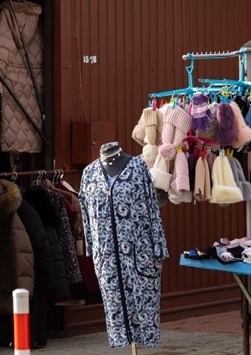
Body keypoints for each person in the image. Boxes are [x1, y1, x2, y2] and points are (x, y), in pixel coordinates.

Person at [79, 142, 168, 353]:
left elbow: (152, 208)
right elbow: (86, 216)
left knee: (143, 308)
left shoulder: (138, 167)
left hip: (140, 254)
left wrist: (159, 246)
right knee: (115, 309)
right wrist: (92, 250)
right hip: (107, 257)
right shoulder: (89, 174)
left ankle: (141, 344)